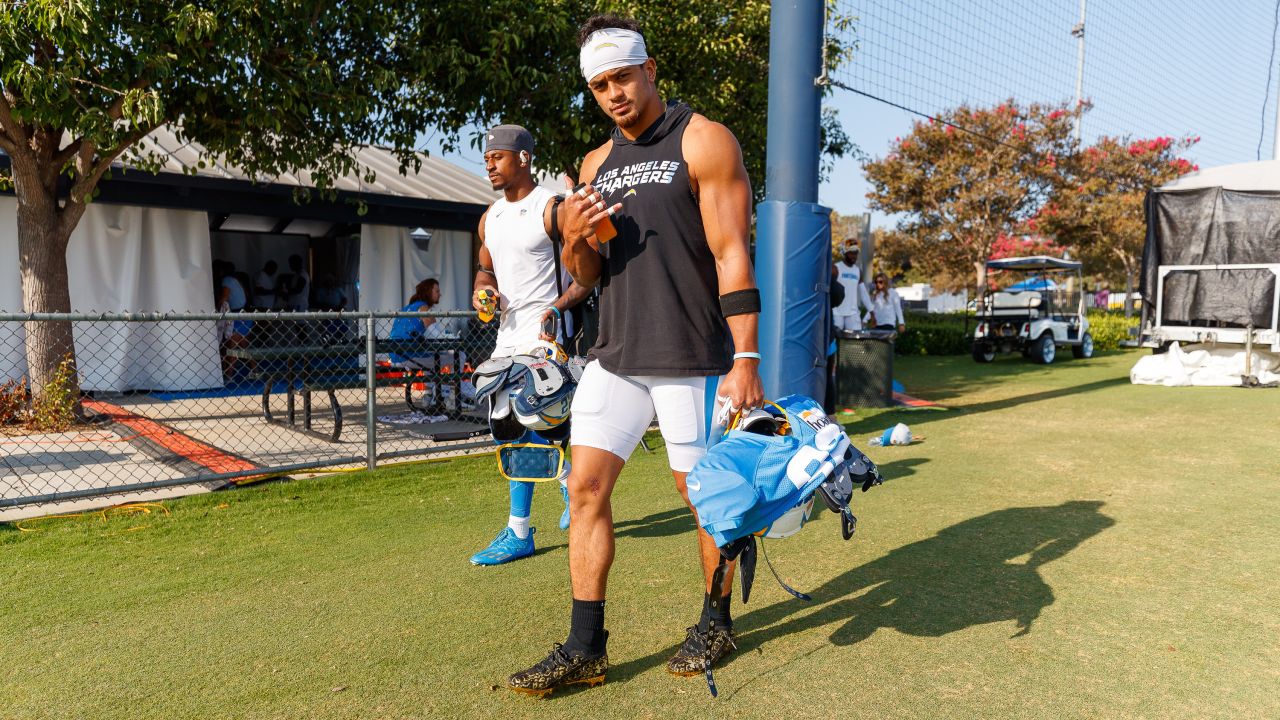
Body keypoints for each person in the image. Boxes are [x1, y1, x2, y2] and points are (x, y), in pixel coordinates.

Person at [507, 15, 764, 696]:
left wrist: (747, 358)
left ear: (650, 69)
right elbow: (585, 274)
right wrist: (577, 235)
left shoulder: (703, 140)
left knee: (702, 496)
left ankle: (716, 620)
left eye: (622, 76)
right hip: (615, 354)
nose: (613, 93)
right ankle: (585, 645)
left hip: (692, 352)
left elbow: (732, 252)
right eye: (599, 85)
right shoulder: (594, 165)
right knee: (583, 488)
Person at [470, 123, 592, 567]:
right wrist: (484, 294)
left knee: (525, 421)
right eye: (487, 159)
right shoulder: (490, 217)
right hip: (506, 339)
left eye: (497, 157)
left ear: (523, 159)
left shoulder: (553, 209)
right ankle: (570, 486)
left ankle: (520, 530)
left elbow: (586, 274)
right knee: (515, 426)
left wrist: (559, 307)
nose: (490, 165)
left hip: (547, 339)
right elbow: (485, 272)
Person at [832, 244, 871, 334]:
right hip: (837, 312)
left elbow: (863, 292)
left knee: (855, 343)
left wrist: (871, 310)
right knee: (834, 341)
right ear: (845, 253)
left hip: (853, 313)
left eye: (856, 253)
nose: (854, 256)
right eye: (851, 253)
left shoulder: (858, 271)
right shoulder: (835, 268)